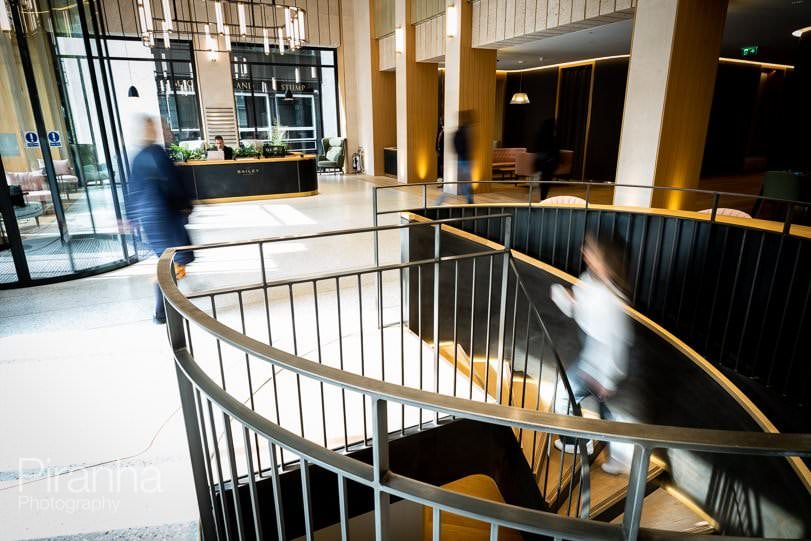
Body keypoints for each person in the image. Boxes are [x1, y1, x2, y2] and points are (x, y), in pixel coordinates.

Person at [549, 232, 632, 475]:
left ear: (606, 260)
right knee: (605, 409)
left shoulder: (612, 301)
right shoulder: (589, 280)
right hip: (591, 359)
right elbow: (576, 307)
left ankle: (578, 442)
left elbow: (618, 343)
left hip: (600, 366)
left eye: (591, 251)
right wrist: (563, 295)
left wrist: (608, 379)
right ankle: (617, 454)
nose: (584, 253)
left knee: (564, 396)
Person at [128, 115, 194, 324]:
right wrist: (186, 206)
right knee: (173, 260)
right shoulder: (157, 154)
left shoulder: (139, 157)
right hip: (164, 216)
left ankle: (166, 305)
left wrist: (131, 216)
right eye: (152, 127)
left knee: (169, 260)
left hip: (151, 218)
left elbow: (133, 189)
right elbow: (174, 184)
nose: (157, 130)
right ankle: (162, 310)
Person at [531, 118, 559, 200]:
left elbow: (536, 148)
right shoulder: (552, 136)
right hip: (549, 162)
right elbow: (555, 149)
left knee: (541, 181)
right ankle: (543, 197)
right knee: (546, 182)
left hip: (541, 161)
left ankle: (540, 197)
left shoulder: (540, 135)